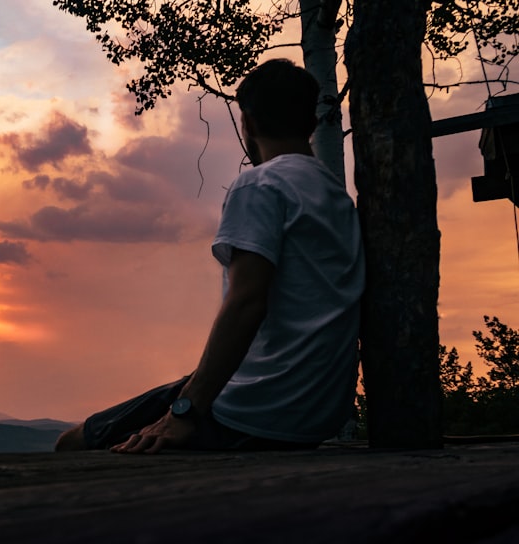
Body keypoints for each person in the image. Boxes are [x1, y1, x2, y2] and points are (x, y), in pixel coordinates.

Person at [56, 59, 365, 454]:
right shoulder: (335, 195)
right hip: (315, 412)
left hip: (261, 407)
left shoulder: (261, 184)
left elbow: (246, 302)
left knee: (73, 445)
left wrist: (184, 413)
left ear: (247, 124)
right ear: (311, 124)